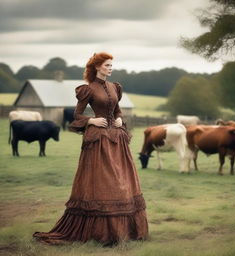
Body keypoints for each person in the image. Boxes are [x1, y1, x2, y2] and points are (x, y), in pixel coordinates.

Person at [33, 52, 148, 245]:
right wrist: (92, 120)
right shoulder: (88, 89)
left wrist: (120, 119)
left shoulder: (115, 87)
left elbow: (117, 110)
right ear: (97, 67)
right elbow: (77, 115)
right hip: (99, 141)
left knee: (122, 181)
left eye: (112, 65)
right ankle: (102, 233)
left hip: (117, 140)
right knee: (103, 183)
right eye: (107, 65)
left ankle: (125, 232)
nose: (110, 68)